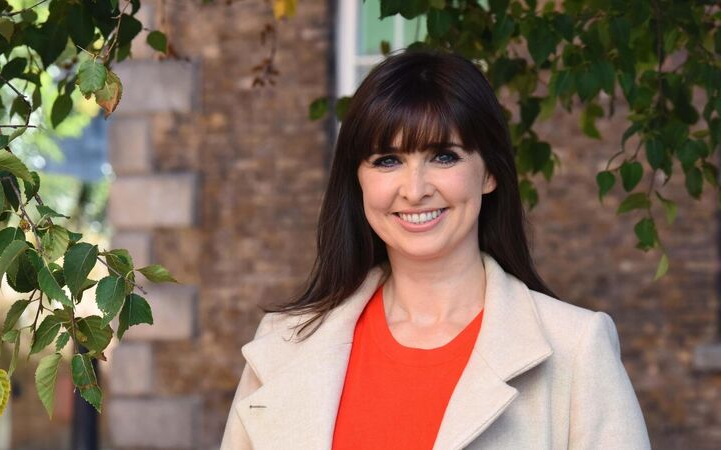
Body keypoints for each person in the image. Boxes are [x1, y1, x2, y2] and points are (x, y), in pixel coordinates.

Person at [220, 49, 651, 450]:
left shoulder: (576, 349)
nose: (415, 190)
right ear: (358, 180)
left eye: (444, 157)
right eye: (387, 160)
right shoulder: (284, 343)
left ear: (489, 173)